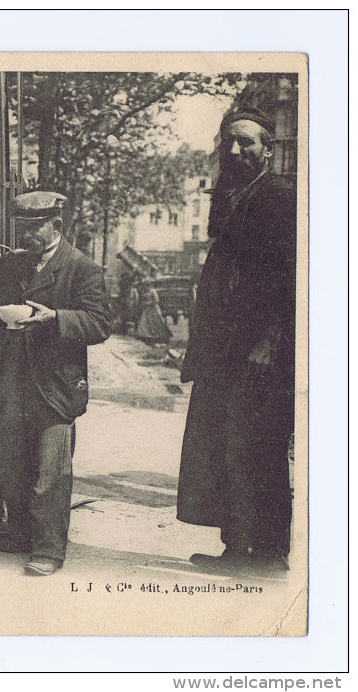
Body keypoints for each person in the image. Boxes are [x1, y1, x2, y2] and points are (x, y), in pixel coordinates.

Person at [177, 108, 297, 576]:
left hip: (260, 350)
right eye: (229, 141)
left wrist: (268, 341)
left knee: (260, 447)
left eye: (246, 142)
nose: (234, 150)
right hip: (226, 348)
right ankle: (235, 548)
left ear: (269, 149)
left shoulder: (280, 197)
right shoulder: (232, 195)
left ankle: (267, 555)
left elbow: (289, 279)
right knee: (227, 444)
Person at [0, 191, 110, 576]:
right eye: (23, 228)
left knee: (51, 469)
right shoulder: (14, 265)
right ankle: (19, 533)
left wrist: (56, 318)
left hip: (55, 382)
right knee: (12, 461)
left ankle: (49, 548)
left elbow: (99, 324)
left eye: (35, 228)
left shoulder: (82, 269)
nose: (27, 235)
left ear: (57, 226)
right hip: (12, 378)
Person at [134, 279, 172, 345]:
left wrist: (149, 303)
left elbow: (156, 300)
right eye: (145, 285)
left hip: (153, 308)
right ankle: (146, 336)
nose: (146, 286)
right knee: (145, 321)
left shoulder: (152, 291)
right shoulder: (144, 291)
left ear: (149, 285)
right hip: (146, 309)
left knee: (157, 321)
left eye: (147, 285)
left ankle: (159, 336)